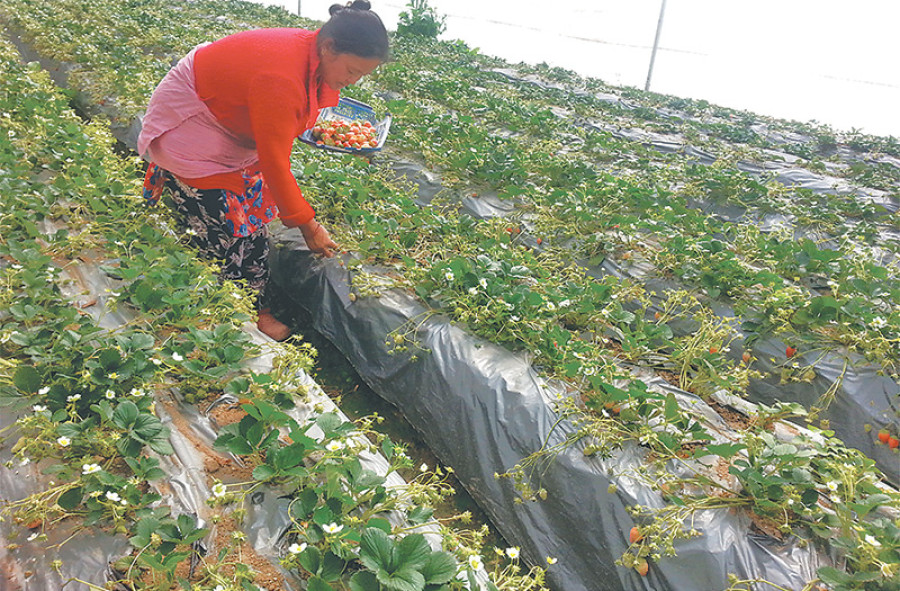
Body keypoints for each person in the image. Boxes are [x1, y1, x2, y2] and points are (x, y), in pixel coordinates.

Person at [137, 1, 389, 340]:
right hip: (194, 125)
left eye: (361, 75)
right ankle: (227, 317)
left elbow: (289, 121)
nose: (353, 81)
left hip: (228, 124)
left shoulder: (313, 54)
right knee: (226, 232)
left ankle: (256, 306)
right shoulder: (281, 76)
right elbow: (274, 162)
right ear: (329, 47)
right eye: (352, 71)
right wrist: (309, 226)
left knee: (253, 222)